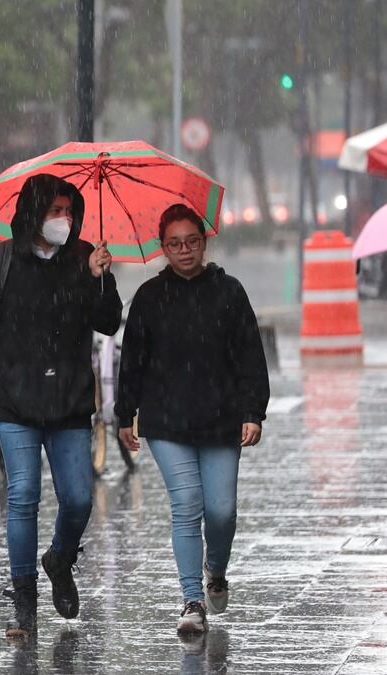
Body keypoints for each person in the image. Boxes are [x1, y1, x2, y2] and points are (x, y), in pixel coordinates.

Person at [0, 173, 122, 640]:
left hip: (67, 403)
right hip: (12, 402)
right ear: (31, 213)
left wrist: (100, 280)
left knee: (80, 499)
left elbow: (108, 323)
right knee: (23, 495)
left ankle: (60, 559)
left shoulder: (86, 259)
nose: (64, 220)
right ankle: (24, 602)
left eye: (69, 211)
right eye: (54, 211)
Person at [115, 203, 269, 635]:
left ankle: (215, 571)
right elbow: (133, 363)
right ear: (162, 247)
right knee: (186, 506)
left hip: (221, 420)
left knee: (221, 511)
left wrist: (253, 411)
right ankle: (191, 600)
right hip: (166, 421)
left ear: (205, 242)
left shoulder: (230, 292)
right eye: (174, 244)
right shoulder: (148, 297)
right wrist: (125, 414)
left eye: (192, 242)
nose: (184, 251)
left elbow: (251, 358)